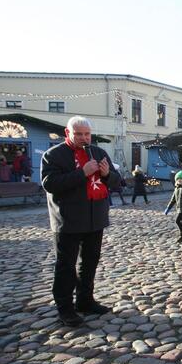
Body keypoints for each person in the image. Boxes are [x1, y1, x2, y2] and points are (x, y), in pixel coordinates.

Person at [40, 116, 121, 326]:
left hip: (95, 218)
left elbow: (117, 182)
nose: (84, 138)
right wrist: (81, 173)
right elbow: (50, 184)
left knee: (90, 263)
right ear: (68, 133)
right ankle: (65, 308)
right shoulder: (53, 155)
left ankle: (85, 301)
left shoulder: (99, 152)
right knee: (66, 266)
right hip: (68, 220)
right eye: (79, 134)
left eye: (87, 134)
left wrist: (107, 174)